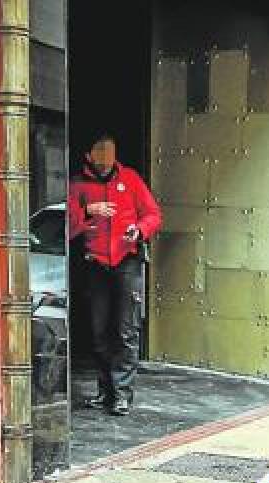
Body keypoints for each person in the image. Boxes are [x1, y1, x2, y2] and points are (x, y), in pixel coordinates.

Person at [68, 133, 162, 416]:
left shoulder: (130, 179)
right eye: (100, 153)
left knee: (125, 331)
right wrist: (87, 209)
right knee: (98, 333)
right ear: (90, 155)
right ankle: (105, 390)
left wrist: (140, 230)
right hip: (95, 264)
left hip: (127, 262)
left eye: (110, 153)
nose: (106, 160)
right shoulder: (78, 185)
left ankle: (121, 394)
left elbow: (154, 215)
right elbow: (68, 226)